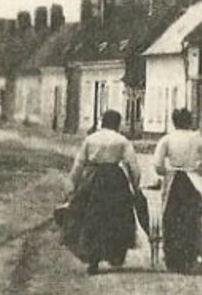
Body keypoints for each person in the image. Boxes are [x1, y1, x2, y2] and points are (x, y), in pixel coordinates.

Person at [60, 109, 143, 275]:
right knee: (117, 217)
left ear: (102, 122)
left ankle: (93, 259)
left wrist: (72, 186)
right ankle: (114, 254)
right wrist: (136, 187)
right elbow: (132, 165)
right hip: (115, 180)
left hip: (93, 179)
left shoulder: (91, 139)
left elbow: (79, 164)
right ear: (117, 124)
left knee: (92, 219)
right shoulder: (121, 140)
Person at [151, 107, 202, 273]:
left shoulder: (166, 139)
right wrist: (197, 170)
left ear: (173, 121)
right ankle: (190, 256)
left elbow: (157, 164)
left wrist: (167, 173)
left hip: (173, 182)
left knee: (171, 218)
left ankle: (172, 257)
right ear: (190, 121)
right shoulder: (200, 140)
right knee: (193, 219)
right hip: (192, 182)